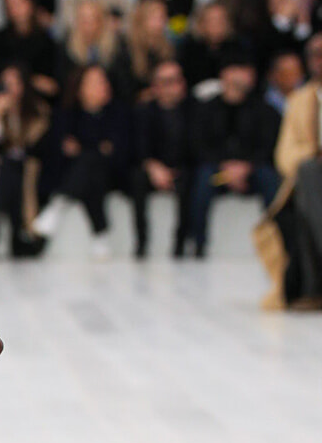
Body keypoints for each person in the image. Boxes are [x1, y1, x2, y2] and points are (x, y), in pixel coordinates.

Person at [32, 65, 131, 257]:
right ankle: (100, 234)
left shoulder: (118, 113)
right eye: (94, 83)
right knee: (90, 167)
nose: (101, 86)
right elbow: (61, 149)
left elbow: (118, 151)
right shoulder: (67, 114)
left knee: (89, 161)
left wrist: (86, 147)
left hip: (112, 174)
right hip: (79, 175)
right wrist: (96, 147)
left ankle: (58, 205)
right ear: (80, 88)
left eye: (103, 81)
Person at [187, 56, 280, 256]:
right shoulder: (207, 108)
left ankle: (277, 241)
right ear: (224, 75)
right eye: (235, 70)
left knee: (270, 180)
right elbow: (199, 145)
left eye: (244, 70)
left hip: (252, 170)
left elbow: (269, 145)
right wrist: (224, 166)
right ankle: (199, 244)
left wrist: (246, 167)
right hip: (219, 171)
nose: (240, 76)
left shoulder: (264, 109)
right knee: (203, 180)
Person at [265, 33, 322, 308]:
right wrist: (315, 154)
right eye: (314, 54)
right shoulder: (299, 100)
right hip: (308, 181)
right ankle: (311, 289)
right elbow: (284, 155)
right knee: (309, 175)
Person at [0, 62, 51, 255]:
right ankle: (3, 226)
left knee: (13, 169)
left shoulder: (38, 111)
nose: (9, 89)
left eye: (14, 83)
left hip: (30, 167)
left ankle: (1, 224)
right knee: (1, 168)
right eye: (5, 83)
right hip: (4, 168)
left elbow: (37, 147)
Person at [130, 57, 195, 258]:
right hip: (152, 168)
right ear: (155, 86)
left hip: (182, 168)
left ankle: (181, 245)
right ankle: (142, 242)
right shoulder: (143, 111)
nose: (171, 87)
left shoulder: (193, 110)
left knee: (192, 180)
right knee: (136, 178)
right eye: (165, 82)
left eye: (175, 80)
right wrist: (153, 166)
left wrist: (172, 170)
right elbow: (137, 147)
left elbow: (197, 149)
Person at [0, 0, 60, 99]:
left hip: (37, 101)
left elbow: (52, 85)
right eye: (10, 5)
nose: (16, 9)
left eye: (19, 3)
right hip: (6, 97)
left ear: (30, 3)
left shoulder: (46, 40)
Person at [60, 0, 131, 100]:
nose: (88, 25)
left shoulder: (117, 47)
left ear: (101, 21)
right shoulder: (65, 47)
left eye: (93, 19)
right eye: (83, 20)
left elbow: (123, 84)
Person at [177, 0, 247, 96]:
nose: (216, 25)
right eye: (211, 20)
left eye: (220, 20)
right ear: (201, 24)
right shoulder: (188, 50)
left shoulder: (239, 48)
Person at [125, 0, 177, 103]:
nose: (161, 23)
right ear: (142, 20)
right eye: (156, 18)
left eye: (163, 17)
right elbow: (124, 89)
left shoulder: (168, 48)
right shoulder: (127, 48)